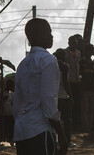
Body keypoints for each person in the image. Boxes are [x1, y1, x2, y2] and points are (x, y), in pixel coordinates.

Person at [13, 18, 66, 155]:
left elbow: (17, 104)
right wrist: (61, 132)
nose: (51, 36)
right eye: (48, 32)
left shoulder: (22, 64)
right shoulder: (49, 61)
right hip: (41, 129)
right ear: (38, 35)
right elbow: (48, 100)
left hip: (22, 131)